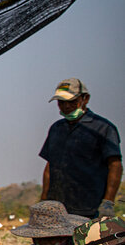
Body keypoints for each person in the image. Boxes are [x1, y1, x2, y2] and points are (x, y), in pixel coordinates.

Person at [40, 78, 121, 218]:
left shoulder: (102, 128)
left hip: (89, 208)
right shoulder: (56, 129)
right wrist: (44, 200)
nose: (66, 106)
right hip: (57, 208)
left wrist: (108, 202)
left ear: (85, 99)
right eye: (61, 102)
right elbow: (50, 166)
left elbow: (115, 165)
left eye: (71, 101)